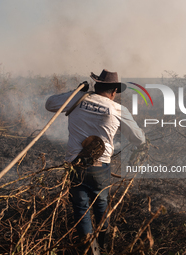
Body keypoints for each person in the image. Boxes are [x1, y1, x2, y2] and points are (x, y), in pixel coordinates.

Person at [45, 69, 145, 252]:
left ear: (95, 85)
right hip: (100, 168)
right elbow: (138, 139)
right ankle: (102, 245)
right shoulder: (117, 109)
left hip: (75, 166)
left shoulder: (78, 99)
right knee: (101, 206)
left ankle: (90, 249)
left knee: (81, 208)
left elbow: (50, 104)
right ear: (114, 91)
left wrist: (76, 91)